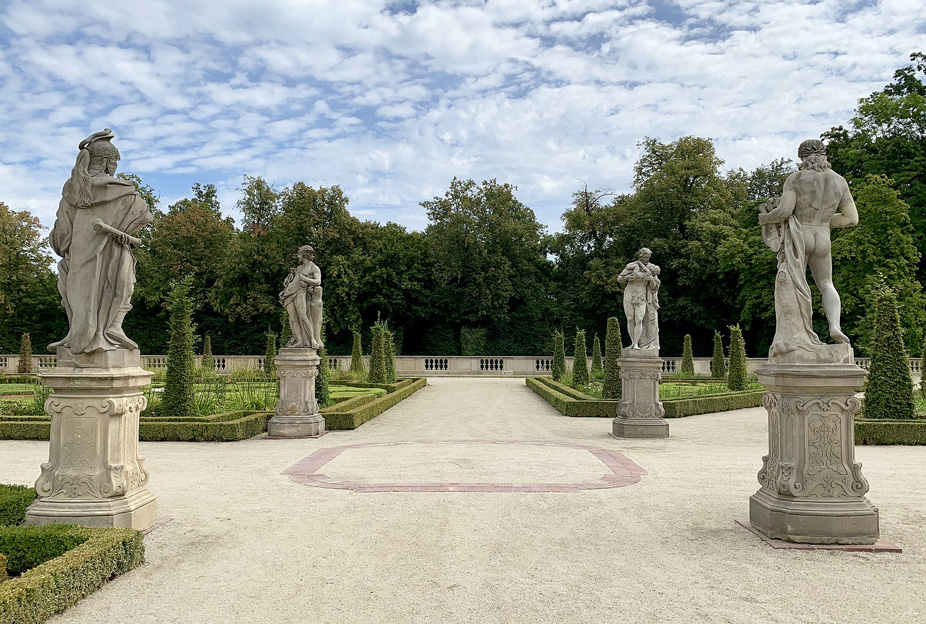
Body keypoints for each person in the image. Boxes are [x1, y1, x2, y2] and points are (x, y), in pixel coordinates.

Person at [48, 129, 153, 354]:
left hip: (78, 266)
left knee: (73, 286)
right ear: (107, 162)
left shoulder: (71, 196)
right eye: (115, 163)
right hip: (113, 260)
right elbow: (142, 216)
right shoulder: (126, 195)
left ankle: (81, 333)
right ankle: (113, 327)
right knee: (125, 281)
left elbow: (60, 240)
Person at [758, 139, 858, 359]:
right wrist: (823, 220)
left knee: (795, 283)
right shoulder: (839, 182)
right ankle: (834, 326)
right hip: (822, 236)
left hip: (800, 236)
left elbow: (784, 212)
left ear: (803, 158)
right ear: (823, 156)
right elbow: (852, 219)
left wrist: (765, 217)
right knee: (827, 284)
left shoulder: (796, 179)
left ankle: (797, 335)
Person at [279, 245, 324, 349]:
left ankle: (312, 339)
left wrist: (305, 279)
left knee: (303, 316)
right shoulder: (299, 268)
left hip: (300, 293)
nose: (297, 256)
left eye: (299, 254)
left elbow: (318, 281)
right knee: (293, 318)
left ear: (304, 254)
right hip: (289, 293)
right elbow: (295, 280)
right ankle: (299, 341)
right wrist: (287, 281)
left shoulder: (314, 268)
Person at [617, 248, 661, 350]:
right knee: (630, 319)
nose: (646, 259)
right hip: (629, 294)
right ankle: (633, 342)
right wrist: (628, 277)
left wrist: (650, 279)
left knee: (639, 319)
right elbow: (619, 279)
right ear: (640, 256)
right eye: (645, 257)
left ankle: (636, 343)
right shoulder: (632, 266)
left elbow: (654, 286)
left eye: (648, 257)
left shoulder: (651, 268)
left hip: (641, 296)